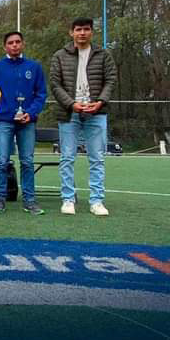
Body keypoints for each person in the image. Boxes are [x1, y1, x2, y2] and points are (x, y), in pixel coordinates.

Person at [49, 17, 117, 216]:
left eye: (86, 29)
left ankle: (97, 201)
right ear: (71, 32)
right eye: (78, 29)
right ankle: (68, 199)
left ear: (91, 32)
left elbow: (111, 81)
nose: (82, 33)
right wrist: (72, 104)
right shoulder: (59, 56)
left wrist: (100, 102)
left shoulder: (103, 55)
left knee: (97, 159)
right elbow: (55, 84)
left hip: (96, 113)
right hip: (69, 113)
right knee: (67, 158)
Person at [0, 31, 47, 215]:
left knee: (27, 161)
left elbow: (41, 94)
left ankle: (29, 201)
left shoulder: (34, 67)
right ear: (5, 46)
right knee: (1, 161)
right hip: (4, 121)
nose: (14, 45)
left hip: (27, 121)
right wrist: (1, 111)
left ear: (23, 44)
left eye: (17, 42)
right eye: (10, 42)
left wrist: (31, 112)